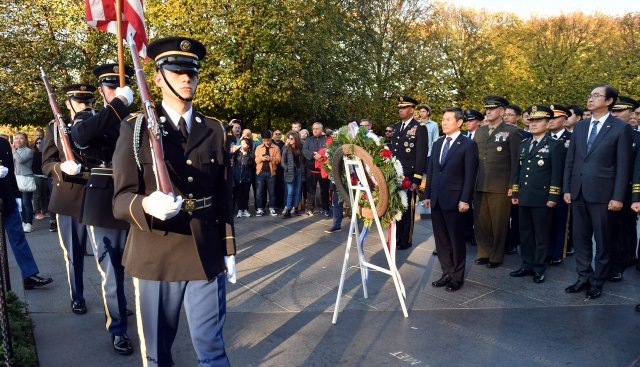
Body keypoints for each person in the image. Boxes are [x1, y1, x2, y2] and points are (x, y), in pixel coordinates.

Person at [112, 36, 235, 366]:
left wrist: (229, 248)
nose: (186, 78)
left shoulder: (214, 129)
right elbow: (120, 200)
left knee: (212, 351)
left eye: (192, 73)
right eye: (177, 71)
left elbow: (224, 197)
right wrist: (146, 205)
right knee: (157, 355)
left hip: (205, 253)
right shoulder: (136, 129)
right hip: (156, 255)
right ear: (157, 77)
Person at [68, 63, 135, 355]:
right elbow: (81, 137)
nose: (117, 90)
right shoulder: (94, 118)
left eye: (121, 86)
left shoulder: (139, 117)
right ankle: (118, 328)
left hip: (138, 198)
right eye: (111, 87)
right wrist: (119, 104)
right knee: (112, 270)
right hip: (105, 200)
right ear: (102, 91)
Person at [563, 84, 632, 300]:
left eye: (596, 96)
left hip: (604, 194)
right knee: (581, 238)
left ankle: (598, 280)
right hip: (578, 191)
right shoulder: (581, 127)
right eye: (590, 95)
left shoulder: (620, 128)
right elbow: (571, 160)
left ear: (609, 101)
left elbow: (623, 166)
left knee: (603, 240)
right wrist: (567, 188)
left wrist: (618, 196)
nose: (590, 99)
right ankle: (583, 277)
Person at [42, 83, 93, 314]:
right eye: (80, 102)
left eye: (88, 102)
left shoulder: (99, 124)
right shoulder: (54, 128)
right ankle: (77, 296)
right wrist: (61, 167)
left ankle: (116, 300)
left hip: (97, 195)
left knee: (110, 254)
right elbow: (46, 163)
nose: (84, 106)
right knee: (73, 252)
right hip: (69, 196)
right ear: (68, 103)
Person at [423, 107, 478, 292]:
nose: (444, 122)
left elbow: (470, 175)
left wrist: (465, 199)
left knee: (456, 240)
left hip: (456, 201)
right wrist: (428, 194)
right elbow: (432, 171)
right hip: (437, 198)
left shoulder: (467, 144)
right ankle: (446, 273)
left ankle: (457, 277)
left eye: (448, 119)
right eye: (443, 119)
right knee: (441, 241)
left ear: (459, 122)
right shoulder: (438, 143)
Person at [510, 105, 565, 284]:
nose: (533, 124)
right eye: (531, 120)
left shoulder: (555, 145)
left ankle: (539, 268)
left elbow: (557, 174)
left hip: (542, 199)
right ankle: (526, 264)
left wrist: (553, 196)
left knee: (541, 235)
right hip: (524, 196)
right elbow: (517, 171)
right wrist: (515, 191)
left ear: (548, 123)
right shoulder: (524, 144)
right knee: (525, 233)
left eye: (538, 120)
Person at [473, 95, 522, 268]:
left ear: (501, 111)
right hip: (479, 183)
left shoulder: (513, 131)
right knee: (481, 221)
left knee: (499, 222)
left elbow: (516, 161)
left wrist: (512, 185)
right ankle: (484, 252)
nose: (488, 111)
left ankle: (496, 255)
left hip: (500, 185)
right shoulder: (479, 131)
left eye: (492, 108)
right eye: (487, 108)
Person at [0, 136, 53, 289]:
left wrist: (16, 195)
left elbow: (10, 172)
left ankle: (28, 275)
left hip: (7, 199)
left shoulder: (3, 143)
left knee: (18, 238)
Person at [389, 96, 428, 250]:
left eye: (404, 107)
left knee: (407, 209)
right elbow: (393, 152)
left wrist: (416, 179)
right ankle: (396, 236)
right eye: (399, 107)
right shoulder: (397, 127)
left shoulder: (420, 128)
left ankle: (406, 239)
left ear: (412, 109)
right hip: (396, 175)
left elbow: (421, 155)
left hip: (409, 175)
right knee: (396, 207)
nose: (401, 110)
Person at [608, 96, 640, 281]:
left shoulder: (636, 137)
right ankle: (616, 260)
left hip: (628, 190)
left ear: (631, 113)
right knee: (611, 229)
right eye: (614, 110)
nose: (617, 113)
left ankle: (622, 261)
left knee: (624, 227)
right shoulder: (608, 132)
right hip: (608, 188)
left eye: (621, 110)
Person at [546, 105, 573, 265]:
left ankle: (557, 252)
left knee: (560, 221)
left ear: (565, 120)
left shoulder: (571, 138)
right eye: (550, 118)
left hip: (562, 187)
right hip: (543, 186)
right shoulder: (543, 138)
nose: (551, 121)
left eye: (555, 117)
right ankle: (545, 251)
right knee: (544, 222)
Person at [303, 122, 330, 216]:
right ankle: (309, 208)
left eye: (317, 128)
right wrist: (314, 155)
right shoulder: (308, 140)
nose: (315, 130)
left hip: (324, 170)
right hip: (311, 170)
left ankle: (326, 208)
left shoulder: (326, 140)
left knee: (325, 190)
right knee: (311, 190)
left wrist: (321, 155)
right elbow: (305, 151)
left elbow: (329, 150)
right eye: (314, 128)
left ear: (321, 130)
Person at [254, 130, 282, 216]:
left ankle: (272, 208)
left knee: (272, 192)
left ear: (271, 138)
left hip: (271, 173)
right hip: (260, 173)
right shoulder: (258, 147)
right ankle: (260, 209)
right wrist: (262, 159)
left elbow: (278, 160)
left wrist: (270, 158)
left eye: (268, 140)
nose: (266, 142)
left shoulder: (276, 148)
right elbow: (256, 160)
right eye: (264, 140)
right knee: (259, 192)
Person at [12, 132, 35, 233]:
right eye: (16, 138)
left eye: (21, 138)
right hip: (17, 178)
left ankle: (29, 223)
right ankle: (24, 222)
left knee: (26, 202)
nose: (18, 140)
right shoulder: (16, 151)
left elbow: (20, 160)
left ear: (26, 140)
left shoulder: (28, 151)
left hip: (26, 178)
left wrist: (13, 150)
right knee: (21, 203)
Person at [281, 131, 304, 218]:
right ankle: (288, 211)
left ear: (296, 139)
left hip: (299, 171)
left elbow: (303, 161)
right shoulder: (286, 148)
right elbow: (282, 162)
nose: (289, 140)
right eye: (288, 138)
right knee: (290, 192)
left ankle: (296, 209)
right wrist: (287, 168)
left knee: (298, 191)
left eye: (291, 138)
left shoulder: (301, 148)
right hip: (290, 172)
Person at [232, 137, 255, 218]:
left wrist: (245, 156)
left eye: (244, 143)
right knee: (238, 195)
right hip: (237, 177)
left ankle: (245, 210)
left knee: (245, 195)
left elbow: (248, 165)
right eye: (241, 143)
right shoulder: (237, 153)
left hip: (246, 178)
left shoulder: (250, 154)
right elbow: (233, 162)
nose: (242, 145)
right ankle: (239, 210)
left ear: (248, 145)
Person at [32, 137, 50, 221]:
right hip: (37, 176)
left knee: (44, 194)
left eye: (40, 143)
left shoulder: (47, 153)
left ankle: (45, 210)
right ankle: (37, 212)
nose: (39, 144)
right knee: (37, 195)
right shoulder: (33, 153)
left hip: (45, 176)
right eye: (37, 143)